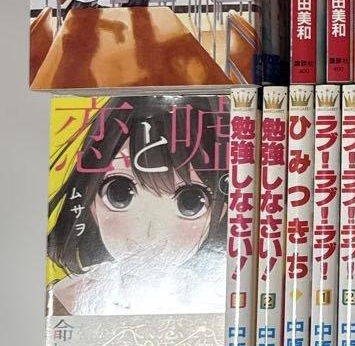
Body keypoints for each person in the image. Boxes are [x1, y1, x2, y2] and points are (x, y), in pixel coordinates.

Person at [46, 95, 228, 316]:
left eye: (190, 203)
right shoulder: (67, 300)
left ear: (222, 211)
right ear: (91, 200)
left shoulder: (224, 297)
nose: (150, 233)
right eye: (119, 194)